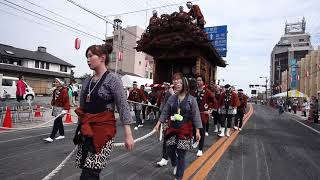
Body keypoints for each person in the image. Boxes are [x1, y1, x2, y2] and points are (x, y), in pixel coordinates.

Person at [74, 44, 134, 180]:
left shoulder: (113, 79)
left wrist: (128, 135)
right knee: (87, 168)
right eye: (86, 57)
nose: (88, 60)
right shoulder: (87, 81)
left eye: (90, 56)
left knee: (90, 173)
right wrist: (79, 129)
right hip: (86, 130)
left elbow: (123, 106)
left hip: (103, 130)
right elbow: (82, 107)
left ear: (102, 58)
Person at [154, 72, 202, 180]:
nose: (177, 84)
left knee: (181, 155)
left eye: (180, 82)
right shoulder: (172, 98)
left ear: (185, 85)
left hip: (185, 130)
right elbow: (165, 111)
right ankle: (174, 163)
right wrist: (158, 124)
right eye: (176, 82)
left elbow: (196, 116)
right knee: (169, 149)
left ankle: (179, 177)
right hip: (172, 128)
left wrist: (198, 131)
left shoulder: (192, 100)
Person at [193, 75, 215, 157]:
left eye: (199, 80)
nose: (198, 82)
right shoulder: (194, 91)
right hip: (193, 114)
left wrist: (210, 110)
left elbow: (214, 101)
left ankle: (200, 149)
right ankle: (196, 140)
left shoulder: (207, 91)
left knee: (201, 132)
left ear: (203, 82)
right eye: (197, 80)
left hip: (202, 115)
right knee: (193, 130)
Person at [44, 78, 70, 142]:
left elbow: (66, 100)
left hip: (61, 108)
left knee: (56, 121)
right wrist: (52, 104)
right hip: (56, 107)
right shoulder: (55, 90)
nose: (55, 83)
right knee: (59, 122)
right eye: (55, 82)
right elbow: (53, 98)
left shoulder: (64, 91)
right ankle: (62, 134)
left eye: (57, 82)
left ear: (61, 83)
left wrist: (66, 109)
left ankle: (51, 137)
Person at [155, 82, 175, 167]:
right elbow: (164, 104)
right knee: (166, 138)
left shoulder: (177, 94)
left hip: (179, 121)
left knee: (175, 144)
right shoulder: (164, 92)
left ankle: (176, 164)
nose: (166, 86)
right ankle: (165, 158)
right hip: (168, 117)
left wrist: (173, 94)